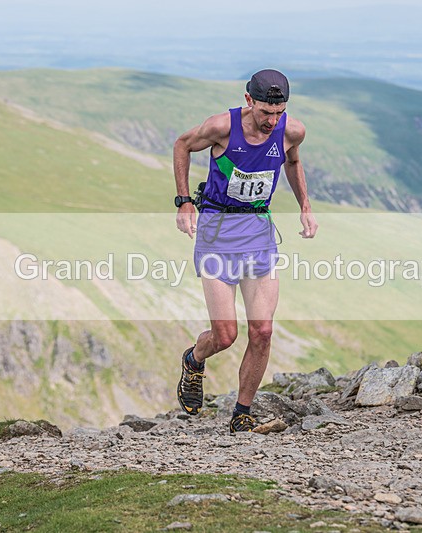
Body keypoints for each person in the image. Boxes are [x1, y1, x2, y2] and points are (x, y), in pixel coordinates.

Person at [173, 68, 317, 433]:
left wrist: (304, 204)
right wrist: (184, 201)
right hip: (217, 232)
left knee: (262, 331)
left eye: (279, 112)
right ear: (249, 100)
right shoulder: (221, 127)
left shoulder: (292, 131)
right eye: (266, 112)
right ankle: (194, 359)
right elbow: (182, 145)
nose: (272, 121)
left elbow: (293, 161)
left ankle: (242, 412)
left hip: (258, 232)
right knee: (225, 335)